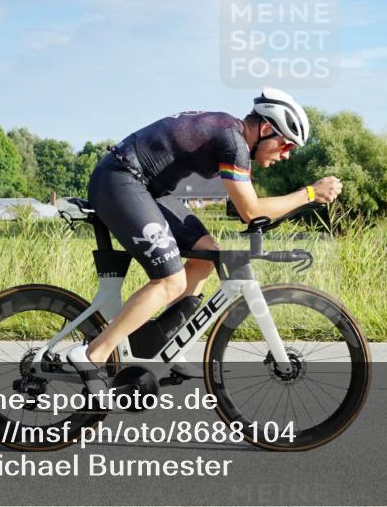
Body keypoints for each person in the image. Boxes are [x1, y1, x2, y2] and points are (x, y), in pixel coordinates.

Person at [66, 87, 342, 380]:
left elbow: (249, 210)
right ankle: (93, 355)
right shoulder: (232, 141)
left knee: (206, 254)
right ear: (265, 129)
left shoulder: (232, 135)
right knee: (170, 281)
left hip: (148, 188)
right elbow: (250, 211)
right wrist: (310, 193)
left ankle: (167, 344)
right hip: (120, 179)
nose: (286, 155)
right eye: (286, 145)